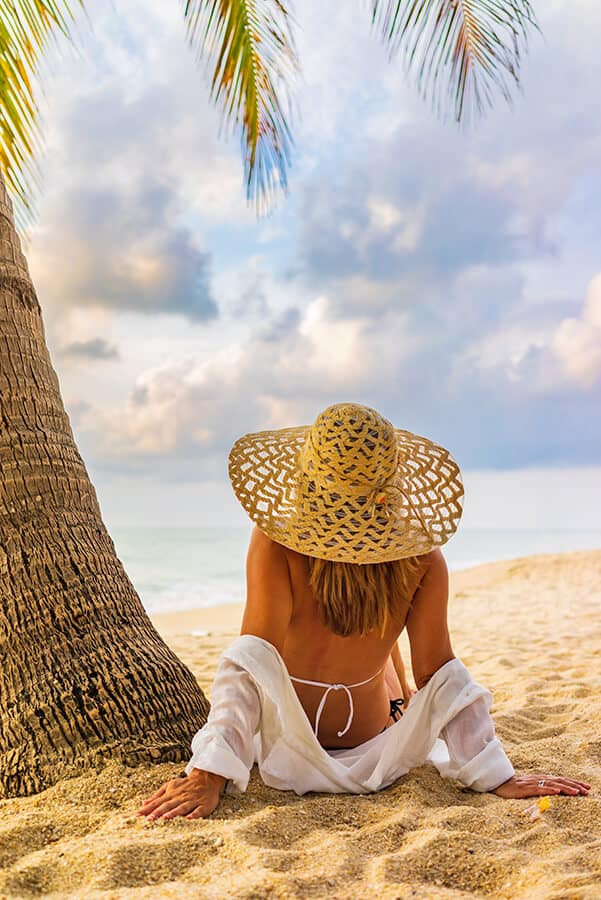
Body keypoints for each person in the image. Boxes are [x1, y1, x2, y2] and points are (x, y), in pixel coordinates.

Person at [137, 403, 590, 821]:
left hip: (286, 747)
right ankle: (391, 678)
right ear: (391, 487)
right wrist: (496, 773)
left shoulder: (274, 544)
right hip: (374, 739)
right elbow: (440, 672)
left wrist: (209, 773)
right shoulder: (422, 561)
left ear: (304, 479)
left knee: (277, 654)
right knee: (395, 661)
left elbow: (252, 660)